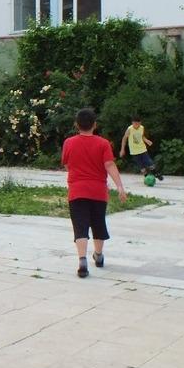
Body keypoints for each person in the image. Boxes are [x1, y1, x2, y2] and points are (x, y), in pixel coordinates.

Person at [62, 108, 127, 278]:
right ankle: (98, 256)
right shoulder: (103, 144)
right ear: (95, 125)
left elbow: (67, 164)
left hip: (77, 191)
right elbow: (110, 165)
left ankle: (82, 260)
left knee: (80, 226)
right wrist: (120, 186)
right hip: (98, 192)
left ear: (76, 125)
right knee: (98, 224)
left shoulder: (69, 143)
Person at [119, 115, 163, 180]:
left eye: (138, 124)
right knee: (141, 166)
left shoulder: (142, 128)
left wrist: (147, 140)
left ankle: (156, 173)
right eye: (135, 124)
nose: (136, 125)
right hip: (134, 151)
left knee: (149, 162)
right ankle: (147, 177)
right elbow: (124, 139)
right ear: (132, 123)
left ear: (140, 123)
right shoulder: (129, 129)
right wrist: (122, 149)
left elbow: (142, 136)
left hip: (142, 149)